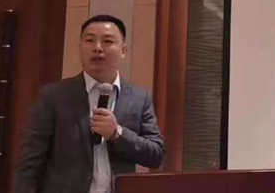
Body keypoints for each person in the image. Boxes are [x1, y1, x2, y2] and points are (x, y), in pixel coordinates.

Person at [14, 15, 165, 193]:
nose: (97, 48)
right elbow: (29, 163)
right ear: (80, 47)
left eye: (107, 41)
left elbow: (156, 156)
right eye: (90, 40)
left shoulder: (139, 99)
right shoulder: (54, 96)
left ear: (123, 50)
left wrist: (117, 133)